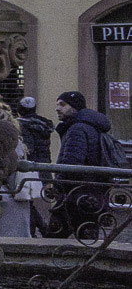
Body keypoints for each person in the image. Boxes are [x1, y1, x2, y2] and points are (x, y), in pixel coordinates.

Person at [49, 90, 114, 238]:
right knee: (87, 238)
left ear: (75, 107)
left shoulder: (77, 129)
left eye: (62, 104)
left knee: (55, 238)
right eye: (57, 104)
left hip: (75, 194)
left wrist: (58, 186)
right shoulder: (92, 127)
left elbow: (71, 163)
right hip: (92, 193)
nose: (57, 108)